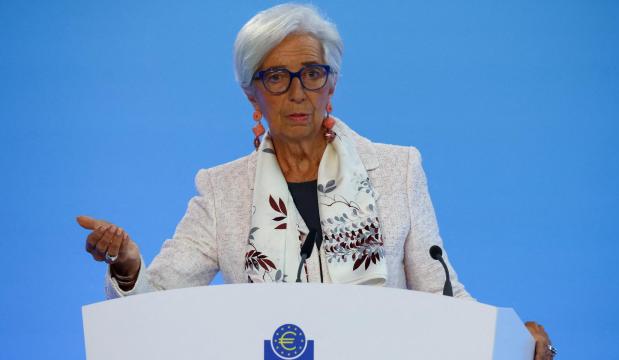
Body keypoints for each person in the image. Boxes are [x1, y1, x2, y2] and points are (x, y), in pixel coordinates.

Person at [77, 3, 555, 359]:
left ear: (332, 83)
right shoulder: (222, 191)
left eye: (311, 73)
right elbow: (158, 309)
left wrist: (515, 339)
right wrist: (128, 267)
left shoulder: (397, 169)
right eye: (277, 78)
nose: (298, 92)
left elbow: (443, 296)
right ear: (252, 93)